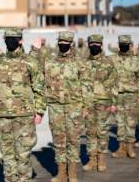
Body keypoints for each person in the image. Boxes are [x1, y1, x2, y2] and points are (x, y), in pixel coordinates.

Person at [0, 28, 45, 181]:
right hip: (2, 117)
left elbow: (39, 87)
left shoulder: (30, 61)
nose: (10, 41)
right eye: (7, 38)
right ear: (4, 40)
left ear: (20, 40)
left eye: (14, 38)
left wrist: (39, 111)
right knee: (7, 157)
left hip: (24, 117)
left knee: (23, 155)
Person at [45, 31, 91, 182]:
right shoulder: (50, 62)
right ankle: (61, 173)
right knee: (58, 140)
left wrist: (86, 107)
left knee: (73, 140)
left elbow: (86, 86)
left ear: (71, 43)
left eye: (65, 42)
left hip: (74, 106)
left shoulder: (80, 63)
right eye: (60, 41)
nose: (62, 44)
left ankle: (72, 173)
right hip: (55, 107)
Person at [82, 34, 118, 172]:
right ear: (88, 45)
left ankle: (102, 159)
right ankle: (92, 160)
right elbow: (80, 85)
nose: (94, 46)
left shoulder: (108, 63)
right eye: (92, 44)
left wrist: (114, 102)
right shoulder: (84, 63)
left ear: (101, 45)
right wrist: (82, 105)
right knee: (90, 132)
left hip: (104, 102)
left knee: (102, 131)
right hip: (88, 102)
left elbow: (115, 83)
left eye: (97, 44)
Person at [110, 35, 139, 158]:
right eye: (122, 44)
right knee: (119, 121)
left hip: (132, 95)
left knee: (130, 122)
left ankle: (130, 147)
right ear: (119, 45)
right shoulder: (113, 60)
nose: (124, 46)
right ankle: (121, 148)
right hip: (117, 95)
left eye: (126, 44)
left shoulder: (137, 60)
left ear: (130, 45)